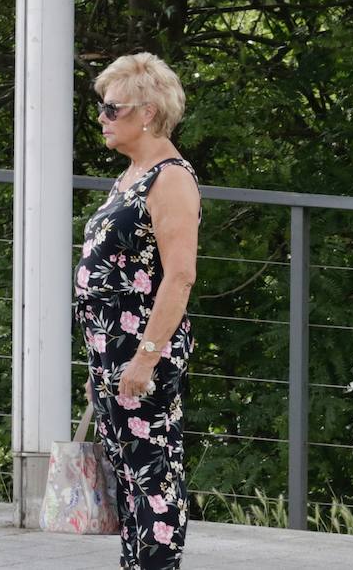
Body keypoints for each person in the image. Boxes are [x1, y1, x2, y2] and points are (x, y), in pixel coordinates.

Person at [75, 53, 199, 569]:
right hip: (111, 351)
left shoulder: (169, 178)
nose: (101, 118)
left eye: (111, 109)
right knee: (127, 479)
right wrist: (98, 368)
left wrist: (145, 358)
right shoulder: (131, 175)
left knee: (153, 477)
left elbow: (180, 275)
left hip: (142, 350)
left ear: (146, 113)